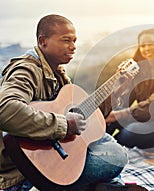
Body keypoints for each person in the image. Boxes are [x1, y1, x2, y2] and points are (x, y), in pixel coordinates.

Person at [0, 14, 128, 190]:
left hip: (51, 150)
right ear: (43, 41)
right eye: (66, 40)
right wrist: (64, 125)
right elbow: (5, 109)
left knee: (102, 139)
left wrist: (116, 91)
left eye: (75, 41)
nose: (73, 47)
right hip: (25, 168)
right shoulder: (26, 70)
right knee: (117, 156)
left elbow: (87, 120)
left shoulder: (58, 73)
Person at [105, 28, 154, 152]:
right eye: (143, 45)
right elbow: (125, 100)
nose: (147, 48)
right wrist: (123, 84)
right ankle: (97, 148)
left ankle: (111, 149)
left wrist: (120, 114)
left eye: (151, 44)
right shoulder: (140, 71)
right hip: (144, 117)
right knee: (107, 122)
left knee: (128, 132)